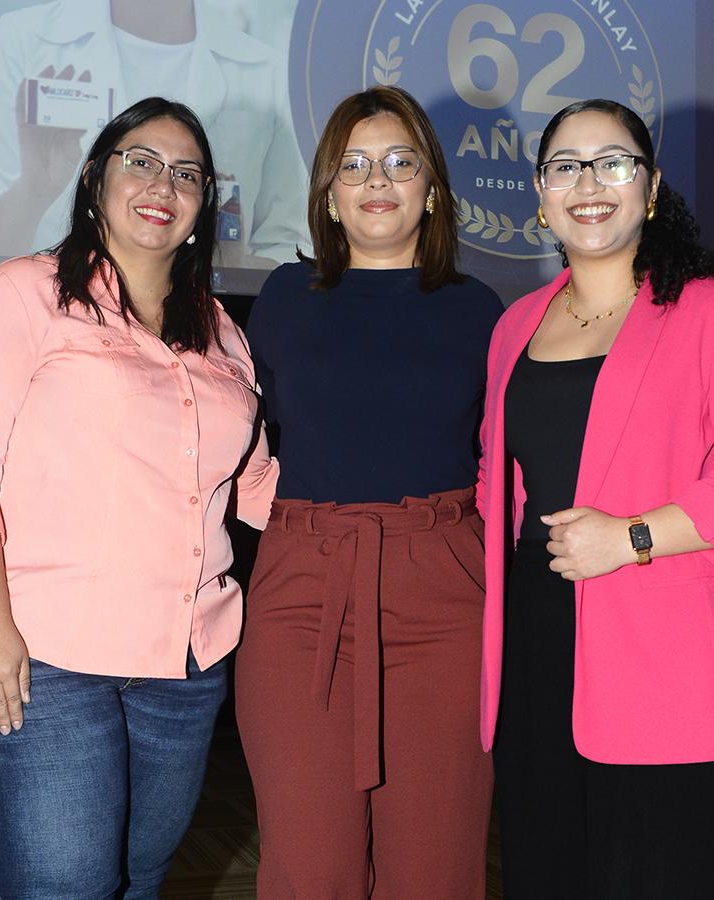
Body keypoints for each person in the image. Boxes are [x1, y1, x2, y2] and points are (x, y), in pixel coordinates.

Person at [0, 97, 278, 897]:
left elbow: (253, 486)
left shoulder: (222, 332)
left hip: (184, 665)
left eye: (187, 172)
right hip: (40, 654)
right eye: (140, 160)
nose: (162, 183)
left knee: (139, 881)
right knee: (66, 886)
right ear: (94, 178)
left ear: (204, 202)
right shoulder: (20, 293)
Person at [477, 99, 714, 898]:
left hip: (670, 662)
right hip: (535, 657)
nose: (589, 184)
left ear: (651, 188)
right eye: (566, 166)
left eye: (613, 162)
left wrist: (632, 537)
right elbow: (499, 482)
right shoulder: (515, 324)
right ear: (540, 192)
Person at [235, 85, 502, 898]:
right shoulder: (283, 298)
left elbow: (501, 459)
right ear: (327, 192)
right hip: (303, 595)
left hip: (445, 597)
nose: (375, 179)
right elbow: (243, 437)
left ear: (432, 188)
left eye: (398, 161)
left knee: (435, 865)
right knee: (309, 864)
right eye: (351, 165)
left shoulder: (479, 309)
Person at [0, 0, 308, 267]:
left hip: (205, 330)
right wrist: (34, 189)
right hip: (52, 330)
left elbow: (287, 244)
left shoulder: (265, 70)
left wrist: (228, 267)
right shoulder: (22, 42)